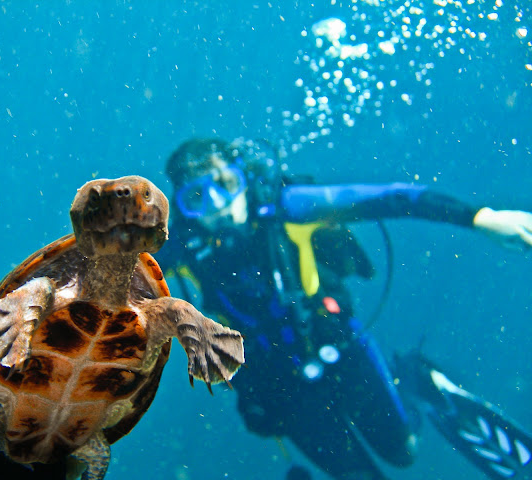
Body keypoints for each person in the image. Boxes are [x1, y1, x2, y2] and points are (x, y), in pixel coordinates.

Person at [157, 137, 532, 480]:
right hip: (277, 384)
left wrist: (480, 218)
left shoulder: (287, 208)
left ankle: (420, 382)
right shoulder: (181, 248)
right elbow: (128, 279)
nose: (219, 206)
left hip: (339, 345)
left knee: (403, 452)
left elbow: (392, 198)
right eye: (197, 198)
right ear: (183, 208)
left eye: (226, 184)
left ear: (244, 180)